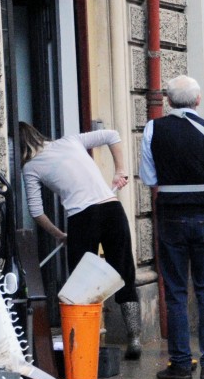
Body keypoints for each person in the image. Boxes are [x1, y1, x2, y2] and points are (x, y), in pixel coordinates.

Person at [140, 74, 204, 379]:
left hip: (171, 217)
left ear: (168, 101)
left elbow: (148, 177)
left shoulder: (155, 129)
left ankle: (181, 363)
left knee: (176, 292)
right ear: (198, 101)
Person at [19, 122, 142, 359]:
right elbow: (112, 134)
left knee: (82, 282)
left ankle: (87, 341)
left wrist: (60, 235)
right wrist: (119, 170)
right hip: (112, 209)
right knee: (125, 270)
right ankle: (134, 337)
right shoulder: (69, 141)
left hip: (82, 218)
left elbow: (36, 212)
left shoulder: (30, 167)